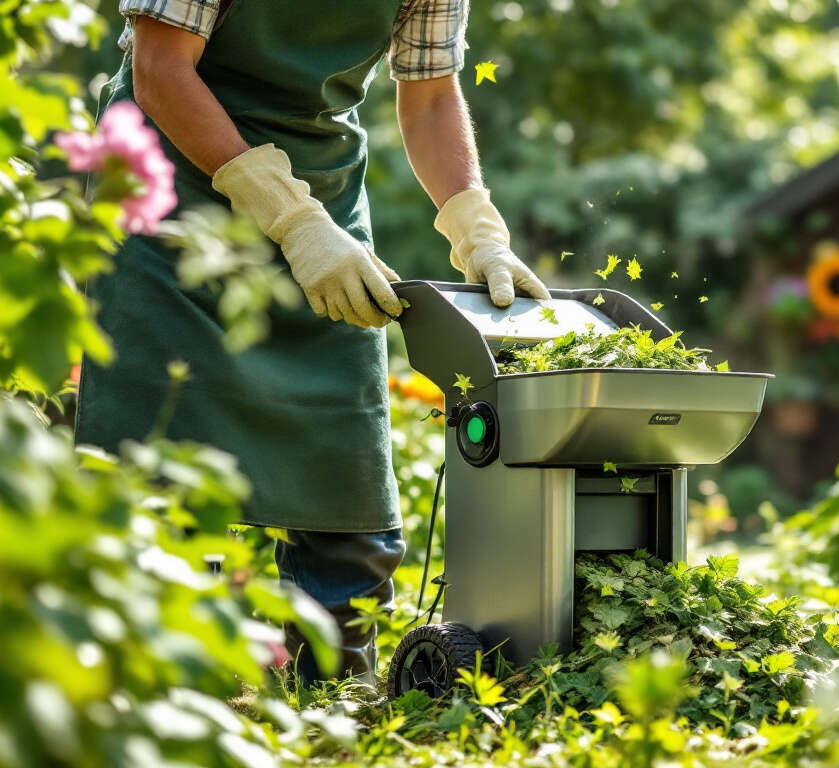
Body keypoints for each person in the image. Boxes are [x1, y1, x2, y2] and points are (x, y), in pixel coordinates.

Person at [74, 0, 549, 685]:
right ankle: (159, 703)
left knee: (346, 486)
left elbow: (430, 95)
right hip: (170, 192)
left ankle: (334, 709)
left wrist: (474, 222)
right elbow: (159, 66)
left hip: (323, 193)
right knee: (164, 480)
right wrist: (289, 220)